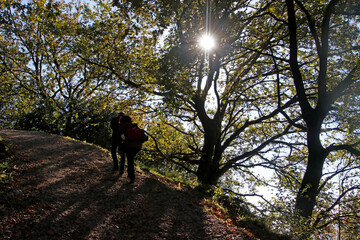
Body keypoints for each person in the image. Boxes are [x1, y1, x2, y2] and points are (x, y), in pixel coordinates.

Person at [119, 115, 143, 183]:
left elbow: (122, 138)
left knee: (130, 161)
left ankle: (131, 177)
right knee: (131, 160)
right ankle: (131, 176)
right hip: (138, 146)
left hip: (130, 146)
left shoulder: (123, 127)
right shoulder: (134, 126)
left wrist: (121, 149)